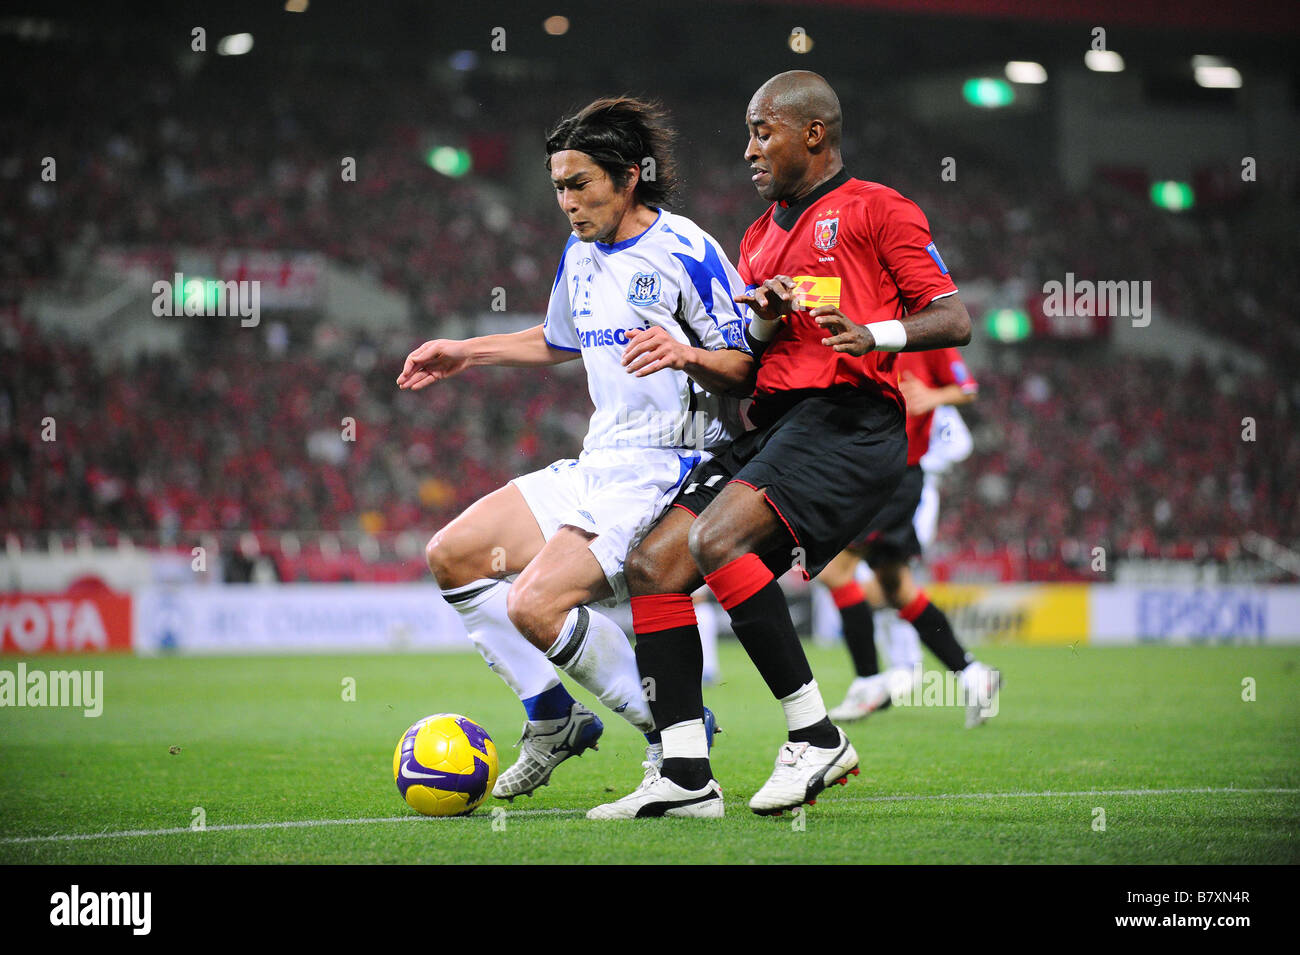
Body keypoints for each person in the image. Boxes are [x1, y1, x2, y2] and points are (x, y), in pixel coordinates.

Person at [588, 71, 972, 820]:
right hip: (776, 424)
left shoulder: (877, 208)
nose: (749, 149)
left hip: (850, 419)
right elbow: (754, 365)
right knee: (652, 564)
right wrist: (761, 322)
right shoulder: (759, 239)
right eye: (749, 133)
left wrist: (876, 334)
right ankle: (687, 774)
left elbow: (952, 317)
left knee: (717, 537)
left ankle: (817, 736)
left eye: (763, 131)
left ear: (814, 134)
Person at [398, 97, 752, 799]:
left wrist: (685, 355)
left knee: (535, 605)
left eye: (580, 184)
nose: (567, 201)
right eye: (559, 186)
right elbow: (560, 339)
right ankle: (552, 716)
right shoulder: (581, 252)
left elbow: (747, 365)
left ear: (628, 176)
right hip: (599, 459)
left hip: (666, 464)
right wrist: (466, 352)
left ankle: (673, 731)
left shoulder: (687, 251)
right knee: (453, 555)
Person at [820, 349, 1000, 728]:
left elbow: (967, 387)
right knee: (897, 586)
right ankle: (973, 674)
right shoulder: (868, 330)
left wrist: (933, 397)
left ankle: (869, 680)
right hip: (873, 472)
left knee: (836, 572)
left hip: (895, 476)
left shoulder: (929, 337)